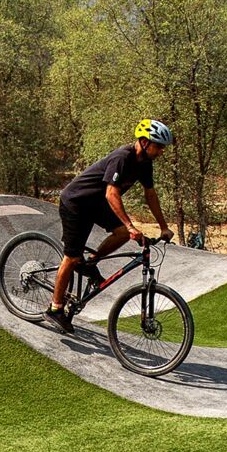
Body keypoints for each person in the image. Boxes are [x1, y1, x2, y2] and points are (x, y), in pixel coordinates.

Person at [43, 118, 174, 332]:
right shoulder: (123, 157)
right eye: (159, 146)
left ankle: (90, 263)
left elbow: (150, 194)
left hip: (97, 205)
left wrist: (163, 226)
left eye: (163, 147)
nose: (162, 151)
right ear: (144, 142)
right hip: (76, 203)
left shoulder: (145, 164)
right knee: (72, 256)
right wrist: (131, 225)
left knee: (121, 234)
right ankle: (55, 308)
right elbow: (111, 193)